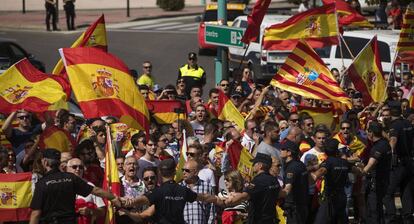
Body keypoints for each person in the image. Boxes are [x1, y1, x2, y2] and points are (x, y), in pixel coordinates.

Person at [29, 148, 121, 224]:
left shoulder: (42, 183)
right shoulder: (71, 178)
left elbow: (36, 213)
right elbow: (95, 190)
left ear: (45, 162)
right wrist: (113, 197)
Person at [120, 159, 221, 223]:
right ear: (174, 172)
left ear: (159, 173)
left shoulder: (157, 192)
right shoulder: (183, 190)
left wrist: (125, 209)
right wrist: (220, 200)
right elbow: (204, 197)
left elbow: (144, 212)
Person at [311, 139, 361, 224]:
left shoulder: (328, 162)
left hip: (330, 198)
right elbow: (359, 172)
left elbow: (320, 172)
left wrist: (310, 174)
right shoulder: (345, 163)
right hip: (342, 196)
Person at [224, 153, 282, 224]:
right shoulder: (274, 180)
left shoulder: (257, 181)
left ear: (260, 165)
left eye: (255, 163)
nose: (253, 165)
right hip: (271, 219)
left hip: (258, 220)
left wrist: (229, 201)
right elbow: (281, 194)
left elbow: (244, 196)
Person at [383, 103, 414, 224]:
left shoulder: (394, 126)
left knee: (387, 193)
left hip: (399, 163)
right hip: (409, 162)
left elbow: (393, 140)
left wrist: (388, 154)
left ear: (390, 112)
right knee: (406, 191)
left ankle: (392, 218)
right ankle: (408, 217)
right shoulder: (407, 123)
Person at [361, 121, 392, 223]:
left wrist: (359, 171)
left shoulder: (377, 148)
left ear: (371, 133)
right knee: (379, 209)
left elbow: (369, 166)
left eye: (368, 132)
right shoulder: (386, 143)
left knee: (373, 210)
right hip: (384, 180)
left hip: (376, 183)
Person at [66, 158, 105, 224]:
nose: (78, 169)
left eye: (81, 167)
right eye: (74, 167)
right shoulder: (60, 186)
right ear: (67, 169)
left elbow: (102, 211)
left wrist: (90, 211)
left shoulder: (90, 186)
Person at [280, 140, 309, 223]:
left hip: (294, 209)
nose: (280, 151)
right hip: (302, 206)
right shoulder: (301, 164)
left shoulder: (291, 168)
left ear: (289, 153)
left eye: (283, 149)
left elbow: (287, 190)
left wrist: (274, 192)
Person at [180, 159, 216, 224]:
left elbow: (211, 210)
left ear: (196, 172)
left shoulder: (206, 186)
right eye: (183, 170)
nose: (184, 172)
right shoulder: (178, 187)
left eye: (187, 170)